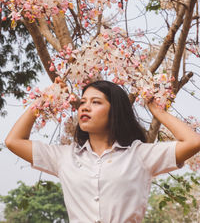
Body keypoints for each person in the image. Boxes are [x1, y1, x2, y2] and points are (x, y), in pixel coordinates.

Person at [5, 80, 200, 223]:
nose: (85, 107)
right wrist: (43, 101)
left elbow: (193, 142)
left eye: (96, 102)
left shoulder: (140, 155)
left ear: (115, 111)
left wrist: (159, 112)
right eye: (82, 102)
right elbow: (13, 141)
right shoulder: (64, 157)